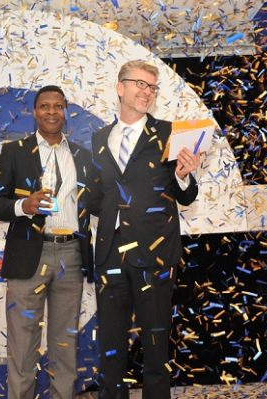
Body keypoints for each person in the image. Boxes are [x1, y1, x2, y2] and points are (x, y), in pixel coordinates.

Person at [91, 60, 201, 398]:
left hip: (154, 255)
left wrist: (183, 175)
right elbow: (98, 197)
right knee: (111, 347)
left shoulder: (171, 134)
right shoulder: (98, 138)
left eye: (152, 87)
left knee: (156, 349)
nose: (146, 92)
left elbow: (186, 194)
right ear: (120, 87)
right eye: (140, 84)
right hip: (110, 254)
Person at [0, 85, 97, 399]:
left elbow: (97, 203)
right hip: (27, 257)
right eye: (45, 106)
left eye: (57, 106)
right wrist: (24, 206)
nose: (51, 112)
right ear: (34, 113)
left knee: (65, 345)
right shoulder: (15, 152)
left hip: (71, 256)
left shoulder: (82, 156)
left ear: (66, 111)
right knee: (22, 345)